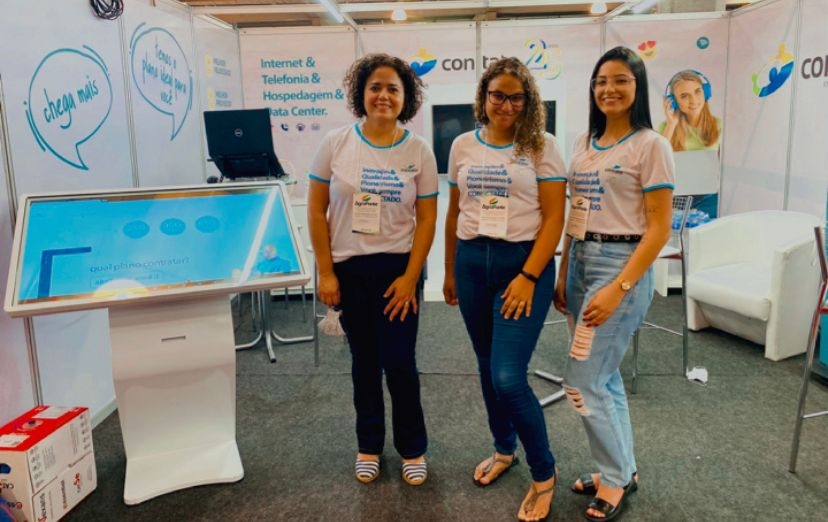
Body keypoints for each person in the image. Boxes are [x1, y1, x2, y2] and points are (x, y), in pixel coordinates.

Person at [443, 57, 567, 522]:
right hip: (473, 263)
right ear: (484, 97)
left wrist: (529, 277)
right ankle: (503, 448)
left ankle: (544, 473)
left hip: (524, 265)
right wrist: (449, 270)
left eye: (517, 97)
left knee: (508, 377)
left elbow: (554, 219)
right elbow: (455, 212)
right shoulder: (461, 145)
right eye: (498, 95)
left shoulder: (542, 146)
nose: (507, 105)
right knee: (485, 365)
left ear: (529, 101)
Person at [554, 46, 674, 522]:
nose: (609, 89)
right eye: (602, 80)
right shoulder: (584, 141)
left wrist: (619, 287)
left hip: (621, 266)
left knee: (581, 382)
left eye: (621, 80)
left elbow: (659, 229)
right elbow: (575, 212)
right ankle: (621, 467)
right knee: (604, 377)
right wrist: (564, 270)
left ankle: (615, 477)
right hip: (581, 261)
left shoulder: (651, 145)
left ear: (637, 87)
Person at [307, 53, 438, 486]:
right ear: (361, 93)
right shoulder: (336, 143)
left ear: (406, 97)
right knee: (363, 363)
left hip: (399, 270)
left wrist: (411, 278)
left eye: (393, 89)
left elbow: (427, 220)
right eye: (375, 87)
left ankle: (412, 448)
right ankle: (368, 445)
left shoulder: (418, 150)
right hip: (349, 269)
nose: (383, 95)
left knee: (400, 363)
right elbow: (316, 209)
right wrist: (325, 272)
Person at [659, 69, 721, 217]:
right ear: (674, 101)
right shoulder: (666, 127)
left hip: (710, 198)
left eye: (697, 91)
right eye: (684, 96)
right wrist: (671, 124)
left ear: (706, 92)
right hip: (676, 199)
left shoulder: (720, 126)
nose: (693, 100)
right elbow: (656, 163)